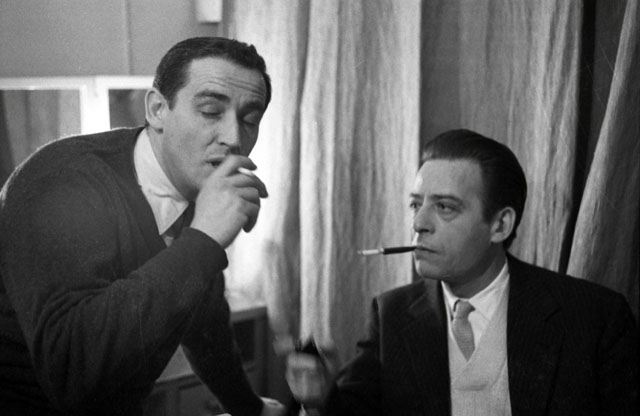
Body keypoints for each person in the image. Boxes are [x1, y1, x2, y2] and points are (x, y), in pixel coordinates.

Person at [0, 37, 285, 416]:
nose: (234, 138)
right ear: (157, 109)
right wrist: (204, 239)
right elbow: (71, 372)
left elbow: (205, 326)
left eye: (249, 120)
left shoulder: (197, 190)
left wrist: (249, 408)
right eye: (211, 111)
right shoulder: (61, 182)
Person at [286, 129, 638, 415]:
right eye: (415, 204)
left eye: (445, 207)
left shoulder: (595, 317)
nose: (419, 223)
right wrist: (320, 398)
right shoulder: (390, 316)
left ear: (500, 225)